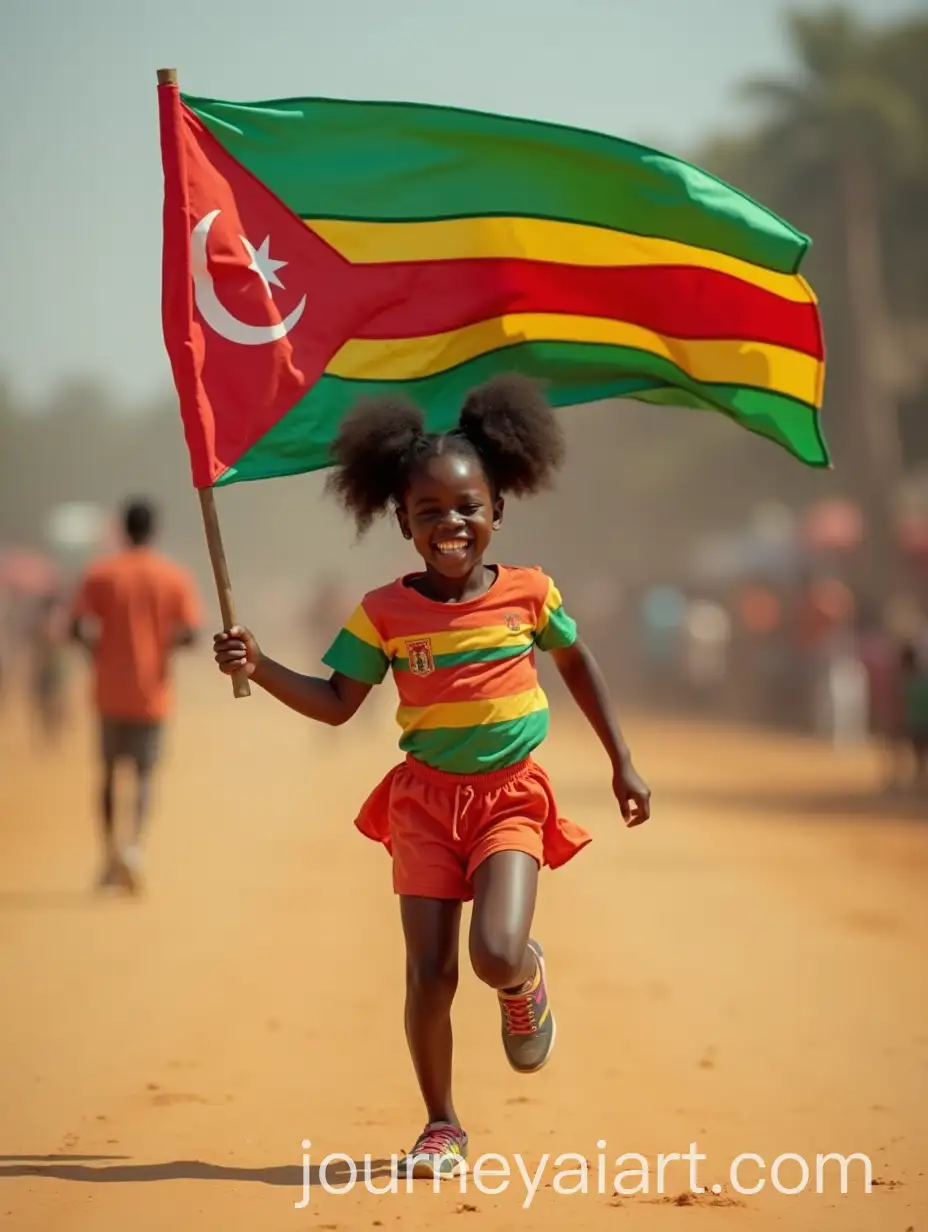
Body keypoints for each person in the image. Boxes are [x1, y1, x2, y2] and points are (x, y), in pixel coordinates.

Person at [213, 375, 651, 1177]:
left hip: (510, 798)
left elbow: (577, 663)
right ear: (402, 522)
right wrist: (262, 663)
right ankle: (441, 1124)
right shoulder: (383, 612)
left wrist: (622, 761)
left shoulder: (529, 592)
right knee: (430, 973)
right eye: (430, 513)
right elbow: (339, 703)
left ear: (497, 510)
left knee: (492, 952)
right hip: (422, 806)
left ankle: (524, 979)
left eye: (467, 508)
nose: (451, 525)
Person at [71, 498, 202, 891]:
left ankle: (111, 852)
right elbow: (191, 633)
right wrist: (163, 646)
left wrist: (97, 652)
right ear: (154, 531)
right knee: (144, 775)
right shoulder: (173, 576)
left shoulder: (100, 574)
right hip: (153, 692)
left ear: (122, 530)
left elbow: (77, 627)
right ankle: (134, 847)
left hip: (109, 690)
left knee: (110, 773)